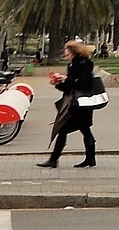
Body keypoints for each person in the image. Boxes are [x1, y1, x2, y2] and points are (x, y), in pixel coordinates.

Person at [39, 39, 101, 168]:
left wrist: (67, 79)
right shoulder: (73, 65)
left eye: (67, 54)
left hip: (80, 104)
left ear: (74, 53)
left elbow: (85, 83)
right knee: (85, 130)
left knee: (63, 129)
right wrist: (58, 83)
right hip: (76, 103)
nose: (66, 56)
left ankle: (54, 159)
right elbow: (69, 87)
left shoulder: (83, 64)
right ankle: (90, 159)